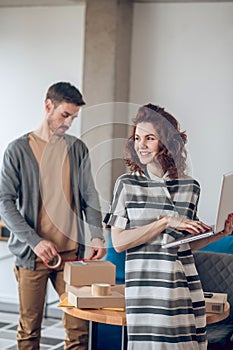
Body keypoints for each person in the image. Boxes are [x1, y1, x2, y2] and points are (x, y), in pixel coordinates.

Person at [104, 104, 233, 350]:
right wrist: (164, 221)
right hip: (146, 290)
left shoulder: (190, 187)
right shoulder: (127, 184)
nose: (140, 145)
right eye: (137, 138)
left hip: (183, 288)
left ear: (166, 143)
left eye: (149, 138)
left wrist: (219, 234)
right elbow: (119, 243)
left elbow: (182, 246)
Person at [0, 82, 106, 350]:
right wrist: (35, 241)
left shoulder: (77, 149)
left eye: (73, 117)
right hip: (32, 257)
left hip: (72, 255)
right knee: (28, 331)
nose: (68, 122)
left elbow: (89, 196)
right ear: (49, 106)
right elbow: (4, 201)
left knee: (79, 331)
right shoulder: (18, 150)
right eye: (65, 115)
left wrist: (96, 235)